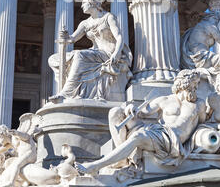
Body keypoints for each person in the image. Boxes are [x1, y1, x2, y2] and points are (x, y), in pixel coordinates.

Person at [75, 71, 206, 175]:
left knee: (138, 137)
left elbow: (205, 123)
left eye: (196, 85)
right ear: (183, 83)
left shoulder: (199, 104)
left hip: (170, 140)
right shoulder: (164, 99)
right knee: (115, 112)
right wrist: (130, 108)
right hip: (158, 131)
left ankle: (97, 165)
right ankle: (123, 158)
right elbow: (142, 112)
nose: (196, 88)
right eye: (194, 84)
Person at [49, 0, 132, 101]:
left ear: (92, 3)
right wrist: (65, 37)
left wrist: (116, 54)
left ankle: (66, 93)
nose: (82, 6)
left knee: (79, 54)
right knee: (53, 59)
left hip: (108, 53)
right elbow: (72, 39)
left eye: (84, 3)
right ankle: (70, 89)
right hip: (96, 53)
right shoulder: (85, 23)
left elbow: (119, 37)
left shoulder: (108, 17)